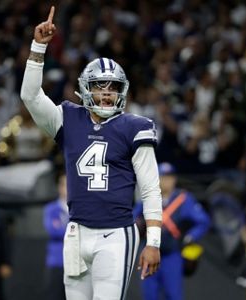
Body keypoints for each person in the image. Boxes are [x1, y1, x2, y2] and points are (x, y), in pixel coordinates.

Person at [20, 6, 162, 300]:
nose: (107, 93)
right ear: (86, 89)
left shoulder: (134, 126)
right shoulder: (68, 118)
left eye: (113, 87)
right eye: (100, 86)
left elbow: (150, 188)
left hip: (115, 234)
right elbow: (30, 96)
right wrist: (38, 48)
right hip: (76, 233)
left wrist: (154, 241)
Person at [134, 162, 211, 300]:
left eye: (169, 177)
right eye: (163, 177)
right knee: (149, 295)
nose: (166, 181)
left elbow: (203, 221)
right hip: (149, 253)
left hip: (172, 254)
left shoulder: (183, 199)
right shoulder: (148, 198)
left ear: (174, 179)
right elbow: (133, 220)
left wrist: (191, 236)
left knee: (173, 295)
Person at [43, 173, 68, 300]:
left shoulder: (80, 209)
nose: (68, 188)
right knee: (55, 295)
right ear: (60, 187)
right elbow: (53, 231)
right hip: (57, 261)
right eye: (64, 184)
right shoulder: (51, 209)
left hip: (78, 262)